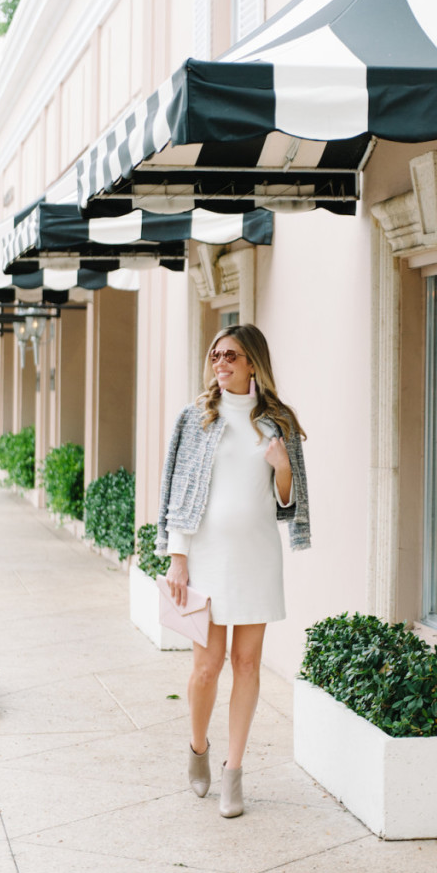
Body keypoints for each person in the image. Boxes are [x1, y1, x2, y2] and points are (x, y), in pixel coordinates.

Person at [156, 323, 310, 818]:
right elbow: (177, 488)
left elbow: (290, 502)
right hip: (204, 558)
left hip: (257, 558)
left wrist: (282, 466)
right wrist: (178, 556)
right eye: (215, 356)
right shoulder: (196, 418)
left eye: (231, 357)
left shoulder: (278, 422)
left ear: (253, 364)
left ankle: (234, 774)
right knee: (206, 666)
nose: (220, 365)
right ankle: (197, 748)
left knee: (247, 664)